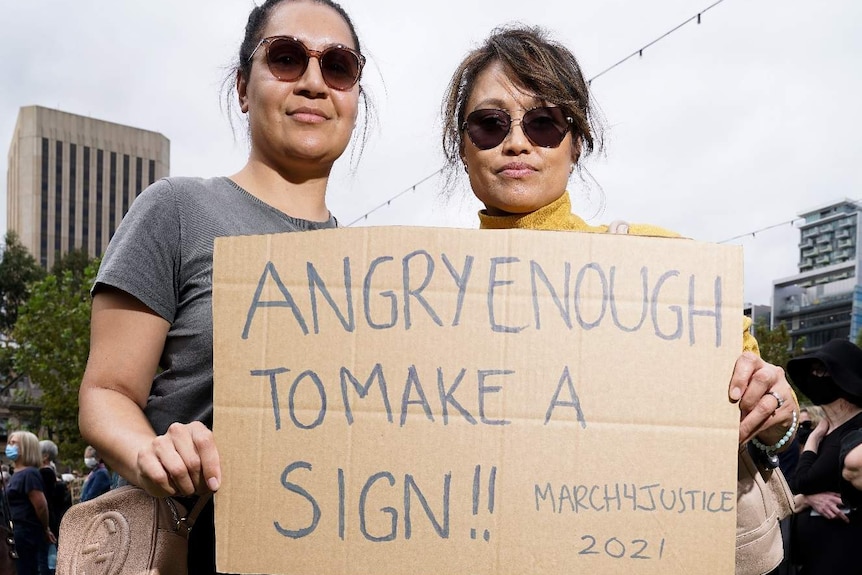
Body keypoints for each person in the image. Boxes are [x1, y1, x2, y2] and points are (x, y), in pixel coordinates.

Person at [440, 25, 800, 575]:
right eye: (490, 124)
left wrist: (775, 409)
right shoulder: (425, 297)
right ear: (462, 148)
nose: (517, 143)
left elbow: (760, 406)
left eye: (543, 123)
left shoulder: (666, 271)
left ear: (575, 141)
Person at [77, 0, 368, 573]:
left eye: (338, 66)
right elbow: (106, 392)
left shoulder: (372, 268)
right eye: (286, 59)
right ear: (242, 87)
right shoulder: (177, 209)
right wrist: (152, 454)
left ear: (355, 97)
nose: (313, 82)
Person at [786, 339, 862, 575]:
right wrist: (808, 499)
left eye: (821, 371)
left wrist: (813, 439)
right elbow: (793, 494)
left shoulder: (856, 431)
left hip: (844, 555)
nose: (813, 377)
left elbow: (801, 481)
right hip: (811, 558)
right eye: (811, 371)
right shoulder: (828, 431)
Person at [5, 431, 56, 575]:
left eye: (14, 443)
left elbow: (41, 506)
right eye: (9, 442)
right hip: (16, 531)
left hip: (26, 533)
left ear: (26, 447)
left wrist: (45, 528)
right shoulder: (17, 473)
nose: (10, 446)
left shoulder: (30, 474)